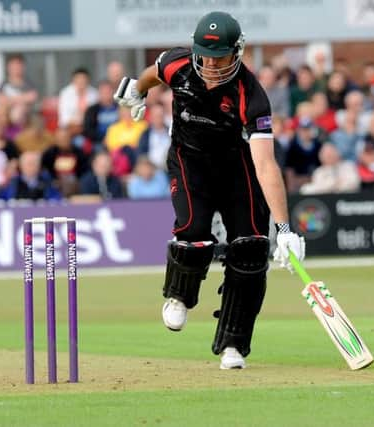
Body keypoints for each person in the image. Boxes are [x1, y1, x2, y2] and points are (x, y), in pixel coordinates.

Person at [114, 11, 305, 370]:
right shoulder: (178, 64)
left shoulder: (252, 95)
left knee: (250, 249)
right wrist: (136, 91)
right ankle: (179, 296)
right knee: (193, 231)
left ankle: (233, 344)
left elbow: (265, 164)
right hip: (190, 162)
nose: (213, 65)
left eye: (221, 57)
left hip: (238, 170)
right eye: (207, 55)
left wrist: (283, 228)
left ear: (238, 52)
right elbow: (153, 73)